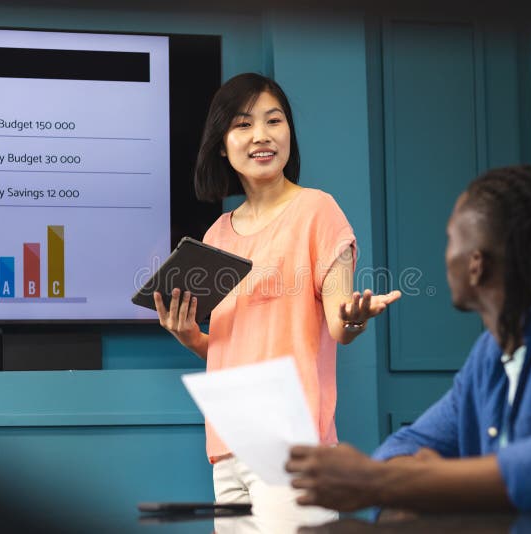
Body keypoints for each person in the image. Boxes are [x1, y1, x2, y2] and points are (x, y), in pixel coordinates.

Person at [286, 164, 531, 516]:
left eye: (450, 239)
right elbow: (408, 444)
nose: (445, 257)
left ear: (476, 264)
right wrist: (399, 488)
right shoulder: (493, 355)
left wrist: (388, 484)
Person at [152, 72, 401, 526]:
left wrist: (355, 320)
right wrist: (193, 339)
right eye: (243, 125)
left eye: (274, 121)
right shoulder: (216, 235)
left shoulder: (317, 210)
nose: (262, 136)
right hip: (228, 444)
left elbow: (338, 327)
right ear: (221, 143)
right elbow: (242, 347)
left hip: (292, 441)